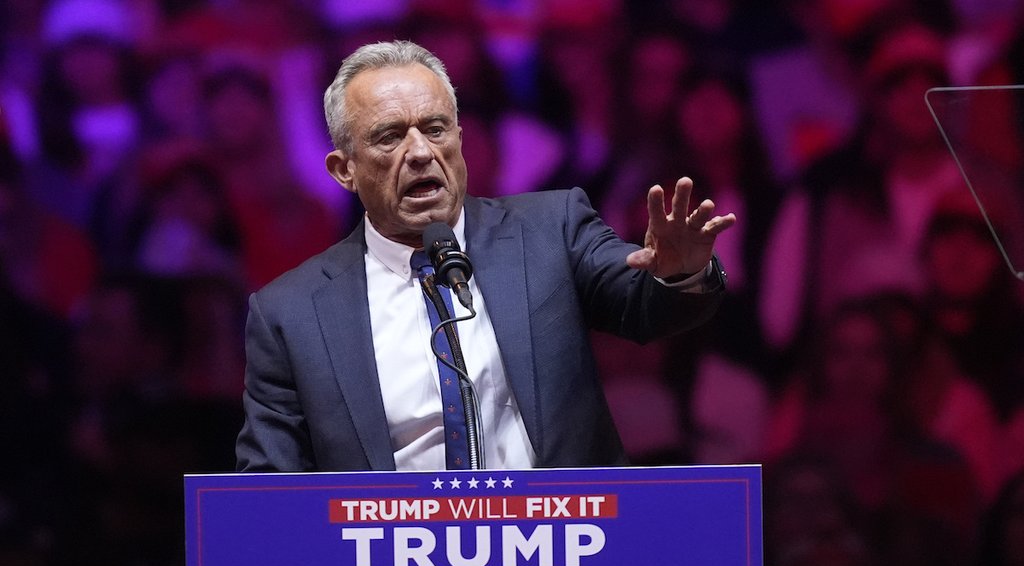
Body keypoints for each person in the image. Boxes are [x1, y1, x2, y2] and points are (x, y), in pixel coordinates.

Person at [235, 40, 735, 472]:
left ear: (459, 140)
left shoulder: (551, 230)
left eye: (435, 129)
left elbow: (642, 301)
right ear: (344, 170)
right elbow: (268, 493)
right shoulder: (291, 314)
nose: (420, 152)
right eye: (390, 136)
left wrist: (680, 272)